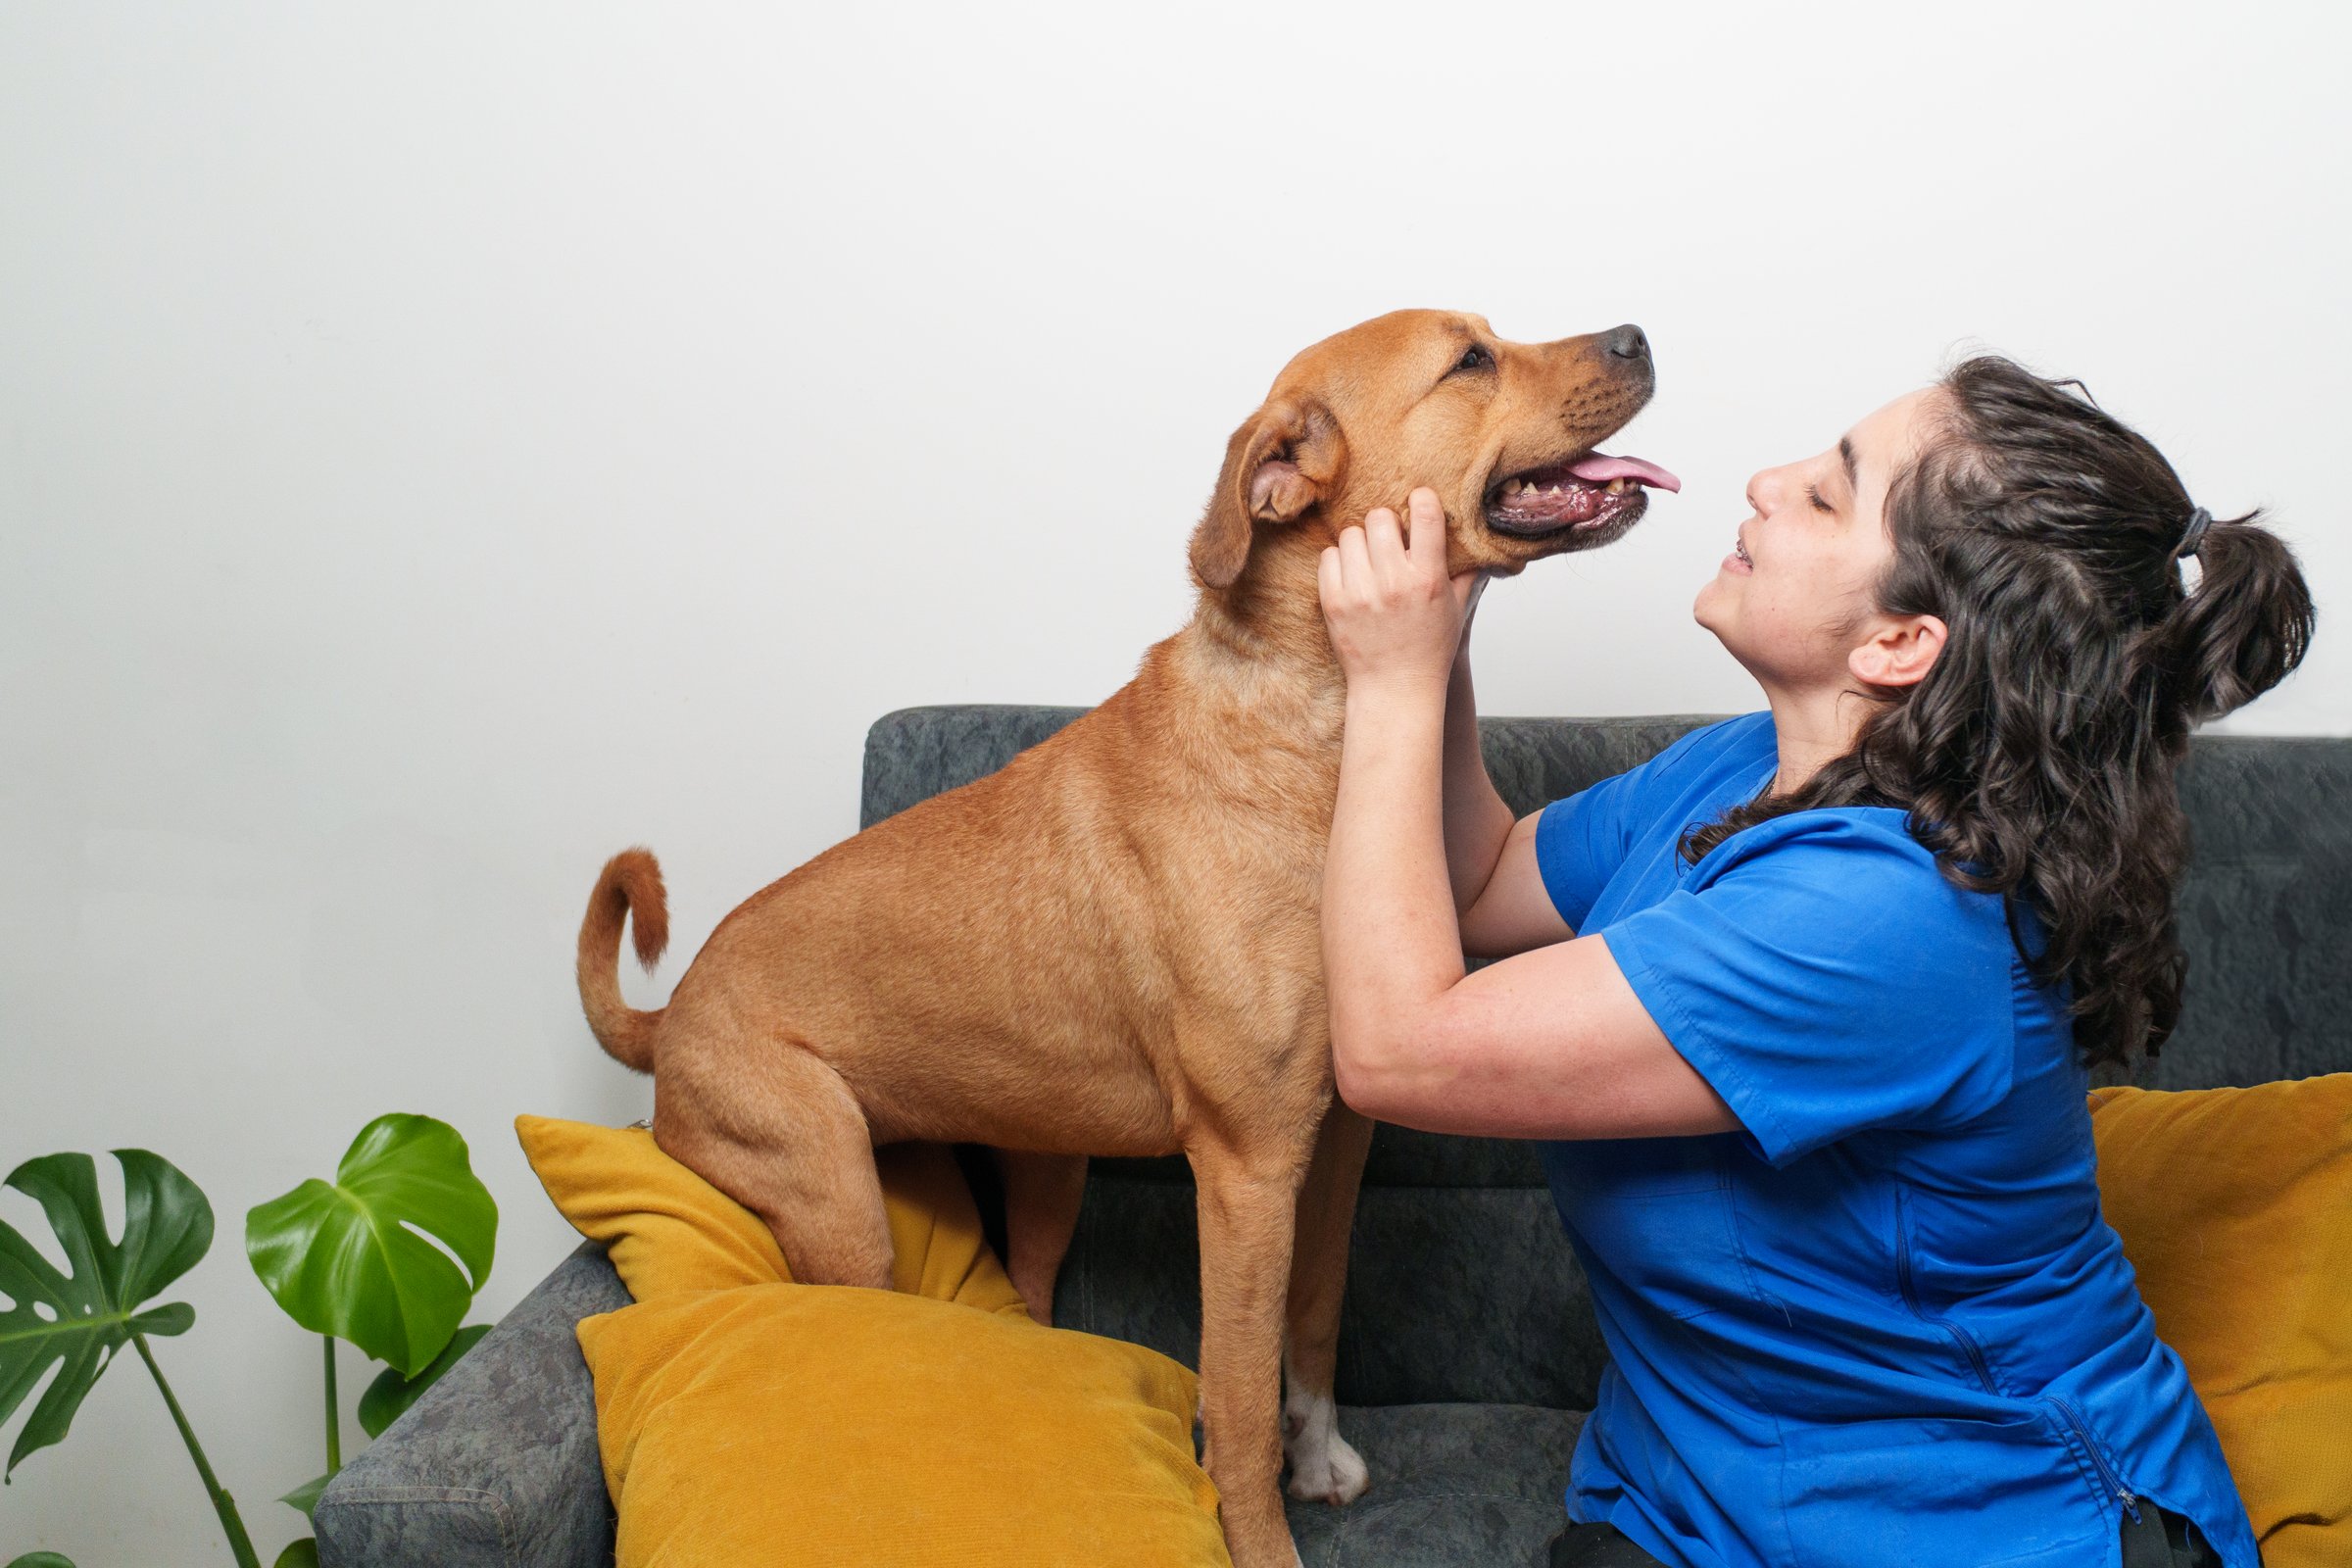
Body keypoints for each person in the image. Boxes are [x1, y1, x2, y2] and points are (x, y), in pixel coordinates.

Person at [1312, 356, 2314, 1568]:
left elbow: (1396, 1049)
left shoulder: (1888, 920)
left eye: (1830, 495)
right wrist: (1452, 603)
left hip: (1984, 1532)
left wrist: (1390, 674)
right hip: (1696, 1515)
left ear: (1900, 640)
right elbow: (1475, 882)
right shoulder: (1743, 768)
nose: (1766, 481)